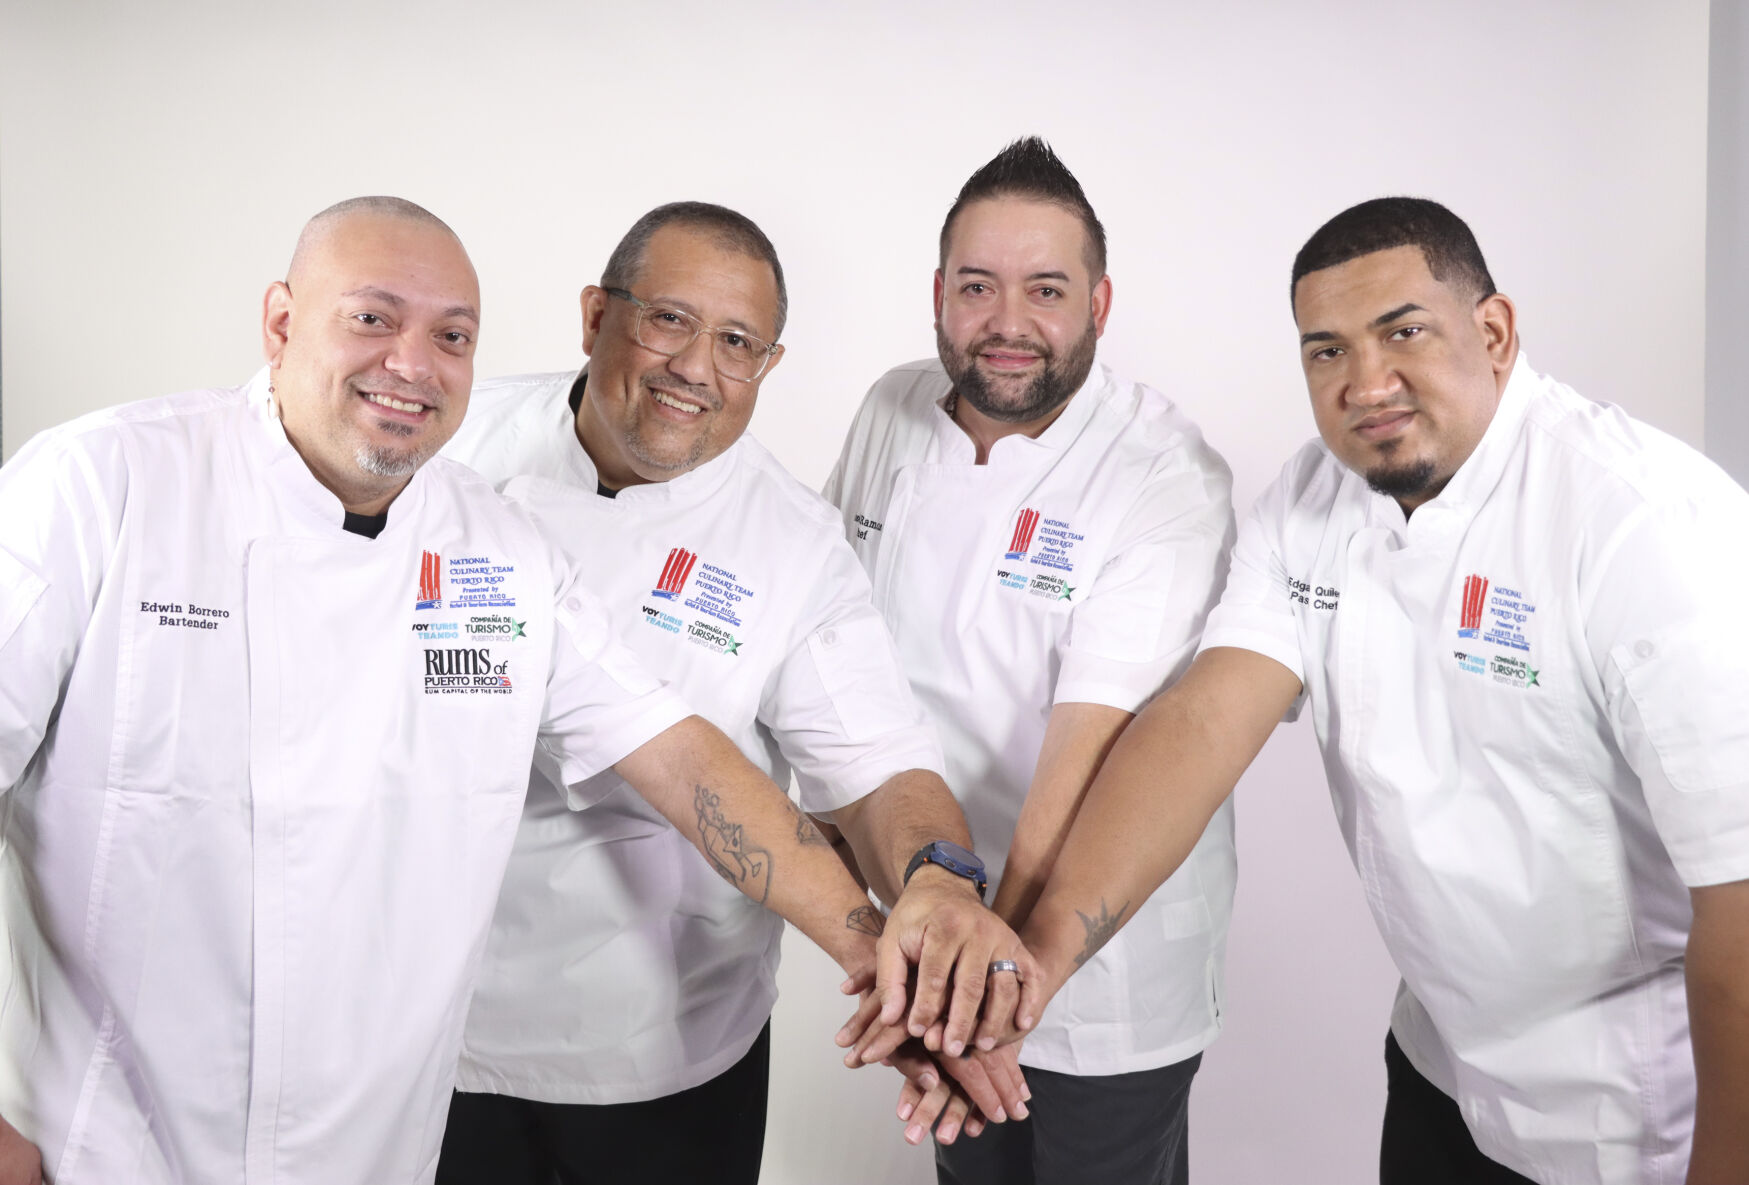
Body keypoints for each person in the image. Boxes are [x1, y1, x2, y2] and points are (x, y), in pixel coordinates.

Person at [0, 197, 904, 1185]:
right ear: (281, 322)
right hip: (113, 1146)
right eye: (372, 317)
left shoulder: (498, 547)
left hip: (374, 1150)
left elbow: (686, 764)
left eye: (452, 336)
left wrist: (886, 958)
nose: (411, 363)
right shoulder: (100, 486)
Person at [1010, 197, 1749, 1184]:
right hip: (1442, 1068)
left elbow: (1740, 893)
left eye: (1403, 332)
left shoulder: (1643, 524)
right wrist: (1036, 964)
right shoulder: (1311, 499)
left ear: (1494, 332)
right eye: (1327, 351)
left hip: (1638, 1118)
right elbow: (1199, 724)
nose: (1365, 383)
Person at [433, 201, 1032, 1183]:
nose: (696, 367)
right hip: (425, 1024)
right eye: (668, 320)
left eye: (737, 343)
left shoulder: (792, 542)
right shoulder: (449, 448)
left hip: (660, 1047)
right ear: (595, 317)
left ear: (768, 366)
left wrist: (934, 881)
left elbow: (879, 766)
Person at [825, 139, 1238, 1185]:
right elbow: (829, 652)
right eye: (978, 286)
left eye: (1045, 290)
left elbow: (1088, 759)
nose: (1007, 323)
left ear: (1099, 304)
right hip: (932, 932)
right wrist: (920, 952)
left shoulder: (1162, 474)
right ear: (937, 294)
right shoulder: (889, 411)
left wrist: (973, 987)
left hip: (1100, 972)